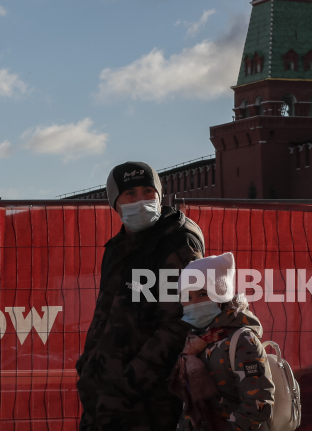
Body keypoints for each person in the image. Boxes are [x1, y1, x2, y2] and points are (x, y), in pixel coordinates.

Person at [76, 161, 206, 431]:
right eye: (130, 194)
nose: (141, 199)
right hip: (105, 395)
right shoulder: (116, 248)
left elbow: (181, 322)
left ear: (160, 194)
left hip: (149, 402)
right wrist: (88, 366)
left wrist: (129, 381)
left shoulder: (177, 243)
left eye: (148, 191)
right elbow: (105, 312)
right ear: (116, 202)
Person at [169, 252, 275, 431]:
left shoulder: (242, 340)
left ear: (220, 296)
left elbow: (258, 405)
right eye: (187, 297)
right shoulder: (194, 342)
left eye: (202, 294)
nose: (194, 302)